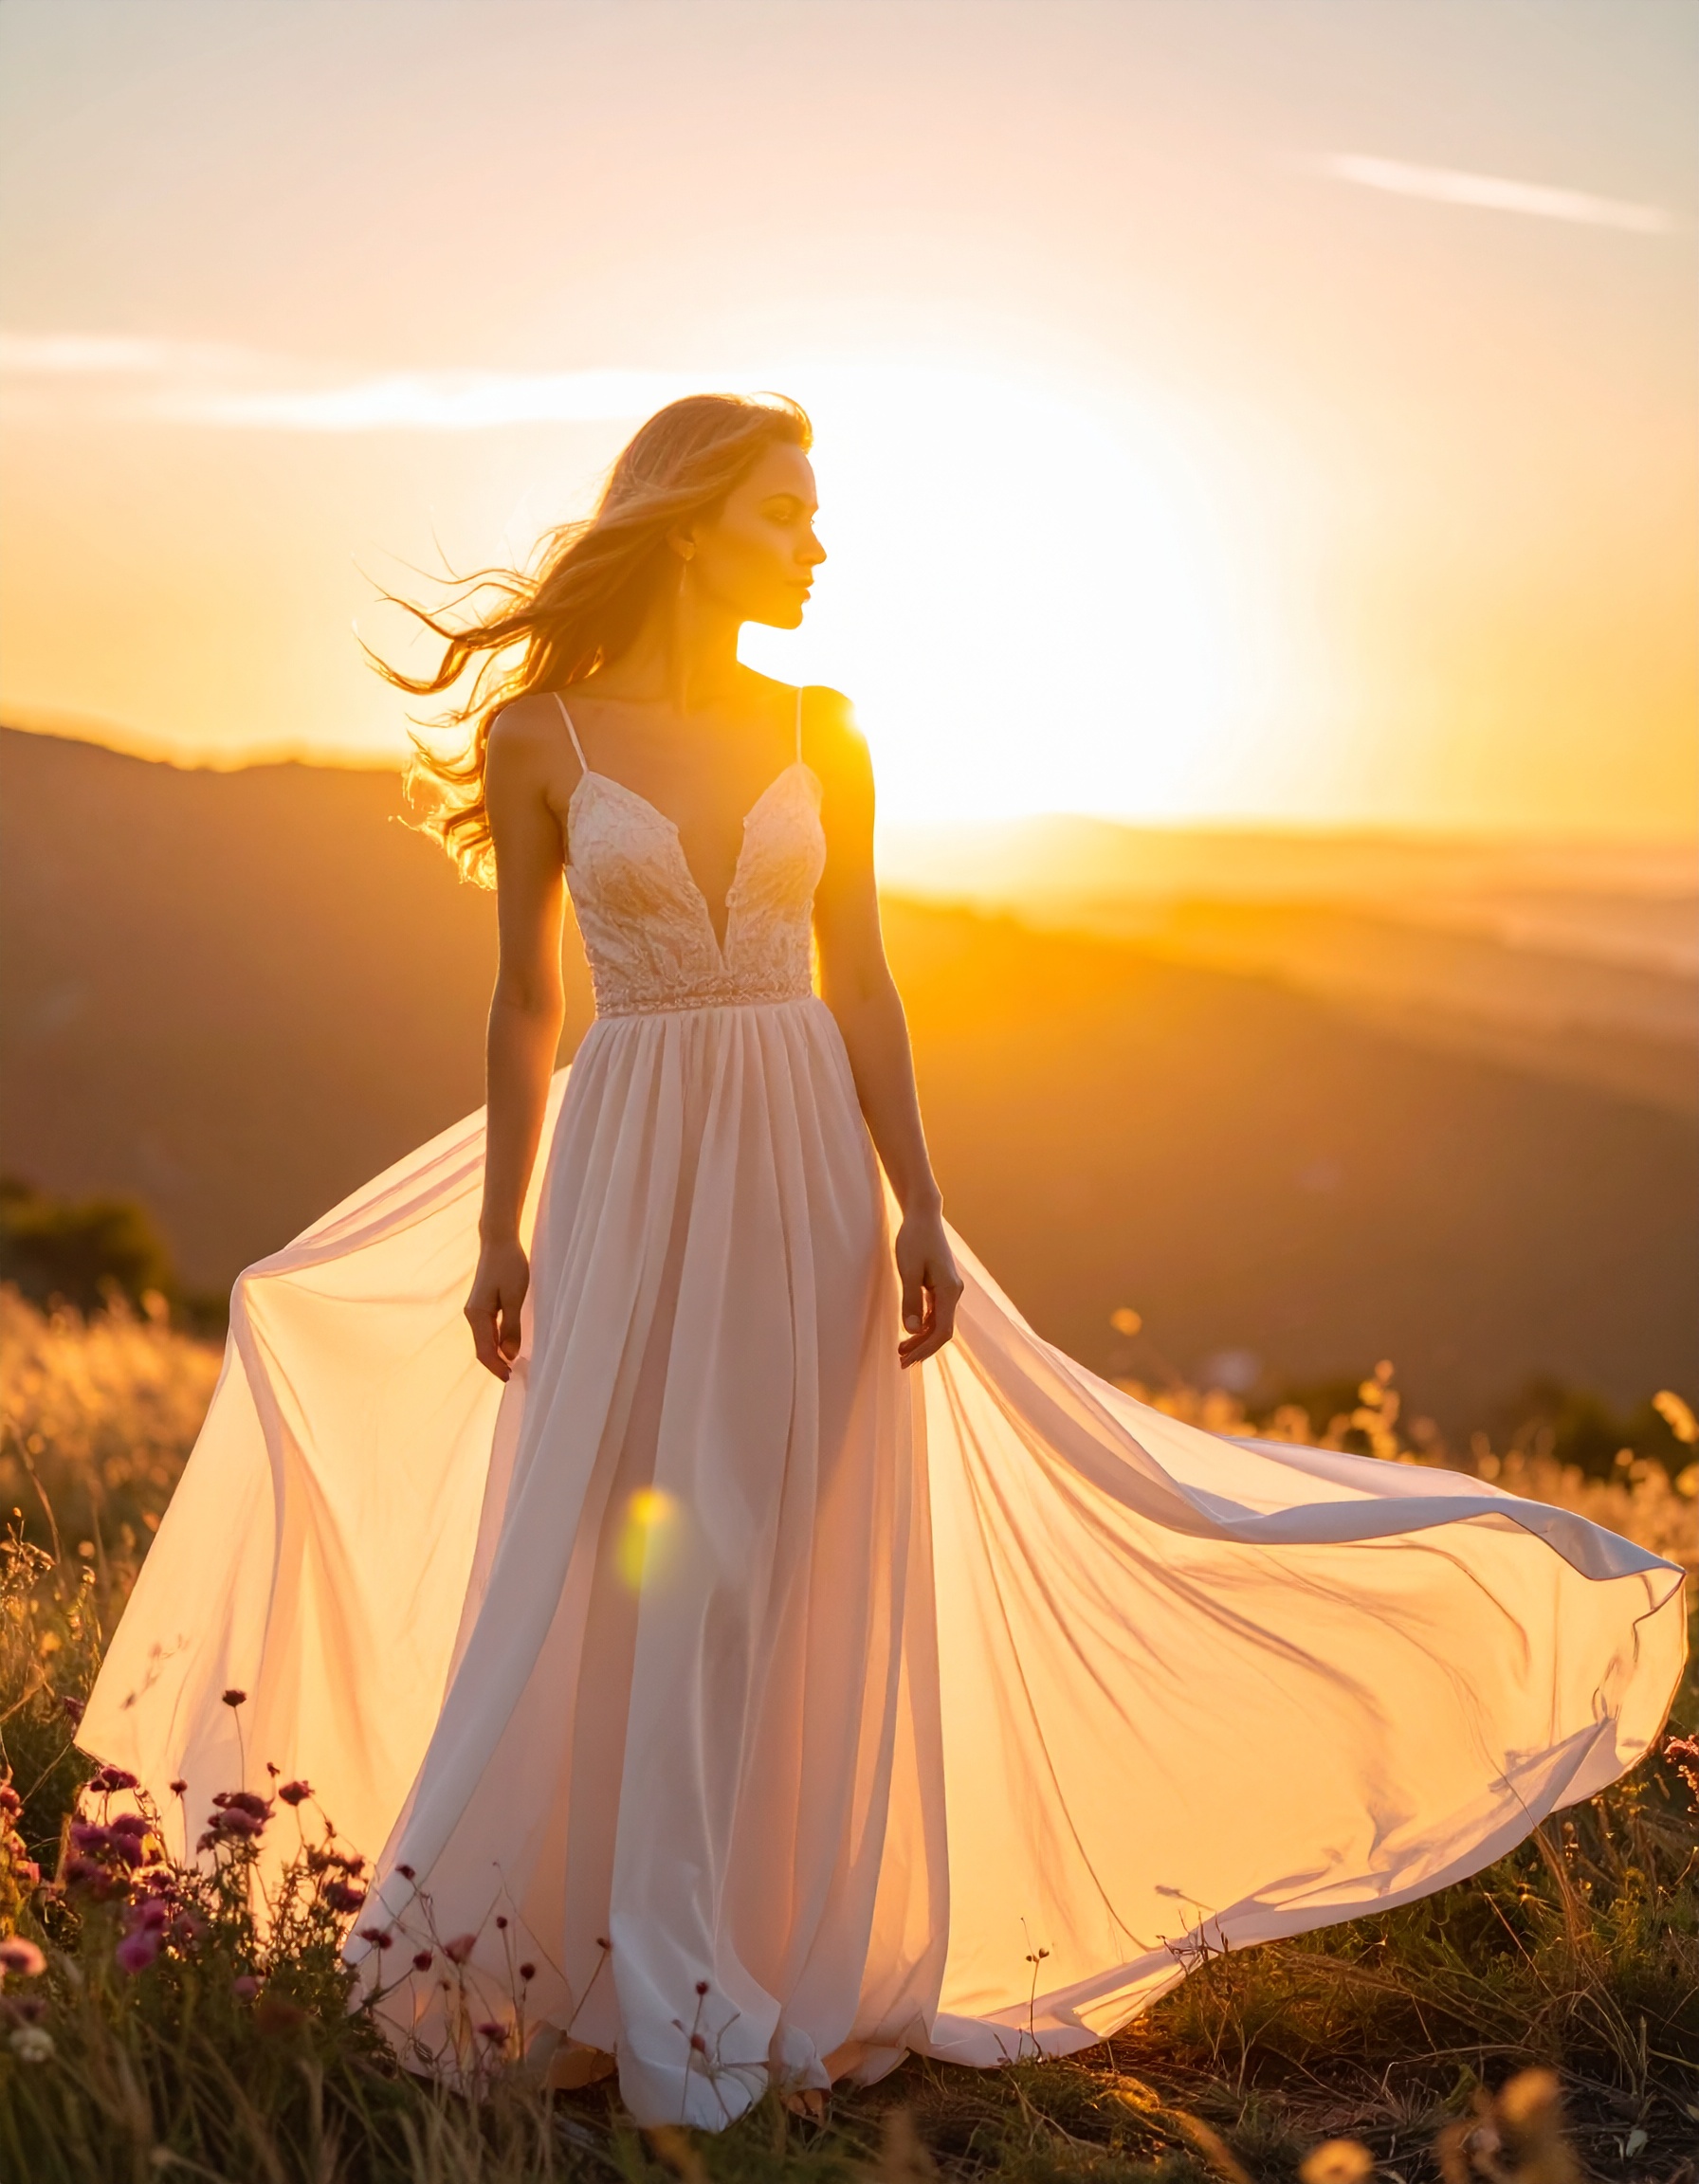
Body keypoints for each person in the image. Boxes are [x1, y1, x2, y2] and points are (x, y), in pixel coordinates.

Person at [82, 393, 1685, 2132]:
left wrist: (919, 1202)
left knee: (773, 1557)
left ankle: (733, 1957)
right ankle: (618, 1960)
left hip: (802, 1173)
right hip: (626, 1167)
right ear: (691, 521)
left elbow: (863, 977)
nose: (819, 548)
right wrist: (498, 1227)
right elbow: (527, 1000)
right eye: (786, 514)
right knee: (623, 1551)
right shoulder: (543, 733)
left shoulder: (824, 727)